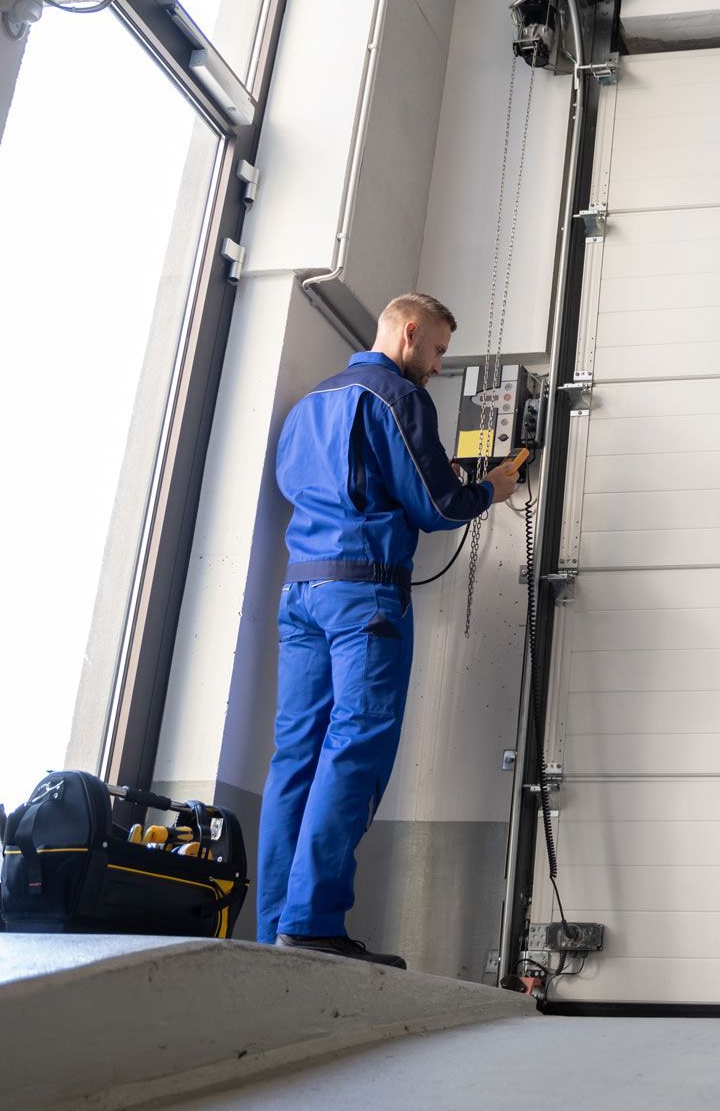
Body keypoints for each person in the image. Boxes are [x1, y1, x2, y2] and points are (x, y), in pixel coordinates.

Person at [258, 292, 527, 968]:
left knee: (296, 757)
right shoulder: (395, 398)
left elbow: (303, 484)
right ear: (408, 334)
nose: (437, 366)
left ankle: (274, 935)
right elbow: (437, 505)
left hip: (300, 591)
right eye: (436, 350)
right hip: (364, 600)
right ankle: (313, 923)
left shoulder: (309, 405)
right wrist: (491, 486)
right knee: (355, 750)